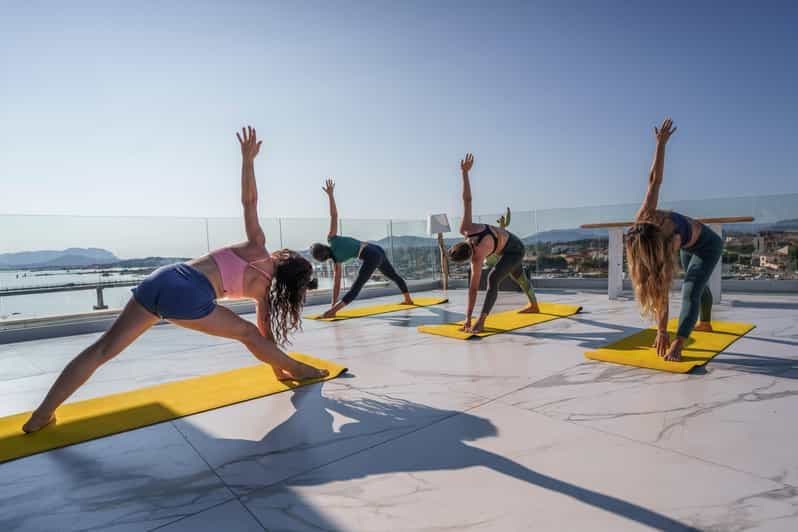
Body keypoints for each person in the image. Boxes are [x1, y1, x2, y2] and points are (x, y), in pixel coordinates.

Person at [22, 126, 328, 433]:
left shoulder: (258, 247)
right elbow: (262, 338)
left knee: (102, 350)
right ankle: (299, 369)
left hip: (164, 277)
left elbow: (250, 201)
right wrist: (281, 368)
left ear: (284, 260)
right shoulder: (262, 292)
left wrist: (247, 160)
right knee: (247, 332)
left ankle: (42, 414)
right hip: (190, 295)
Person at [626, 118, 722, 362]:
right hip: (690, 243)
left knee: (691, 289)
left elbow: (654, 180)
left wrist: (661, 144)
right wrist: (660, 329)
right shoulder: (641, 220)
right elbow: (653, 181)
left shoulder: (668, 240)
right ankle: (705, 322)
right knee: (698, 282)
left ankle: (680, 343)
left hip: (708, 244)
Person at [447, 153, 539, 333]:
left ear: (469, 257)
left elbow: (473, 289)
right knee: (518, 275)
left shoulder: (478, 257)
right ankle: (534, 305)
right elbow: (467, 201)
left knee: (493, 278)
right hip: (504, 247)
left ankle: (481, 321)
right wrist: (464, 173)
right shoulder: (466, 228)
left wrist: (472, 319)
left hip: (515, 248)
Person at [310, 179, 413, 318]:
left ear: (321, 259)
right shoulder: (332, 239)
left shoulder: (336, 261)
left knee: (357, 286)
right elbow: (334, 215)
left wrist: (332, 306)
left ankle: (334, 311)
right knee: (392, 275)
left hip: (371, 256)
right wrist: (331, 195)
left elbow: (336, 285)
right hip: (376, 249)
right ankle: (408, 299)